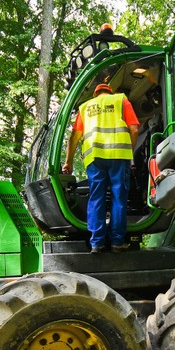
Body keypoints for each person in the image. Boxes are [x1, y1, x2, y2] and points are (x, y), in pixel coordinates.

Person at [63, 82, 140, 253]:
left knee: (96, 197)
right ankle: (117, 243)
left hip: (95, 158)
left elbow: (74, 138)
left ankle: (97, 243)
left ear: (95, 95)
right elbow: (134, 130)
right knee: (119, 198)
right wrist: (130, 152)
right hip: (119, 156)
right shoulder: (121, 100)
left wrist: (68, 162)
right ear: (110, 92)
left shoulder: (85, 107)